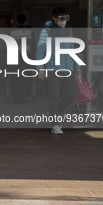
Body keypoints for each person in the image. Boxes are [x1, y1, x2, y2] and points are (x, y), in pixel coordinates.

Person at [36, 7, 82, 135]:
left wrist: (76, 65)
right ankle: (55, 124)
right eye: (61, 18)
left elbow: (72, 48)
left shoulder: (69, 30)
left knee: (72, 94)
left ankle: (53, 113)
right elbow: (40, 50)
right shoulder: (46, 31)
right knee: (54, 96)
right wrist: (40, 68)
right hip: (53, 68)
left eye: (66, 18)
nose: (64, 21)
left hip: (68, 68)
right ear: (54, 18)